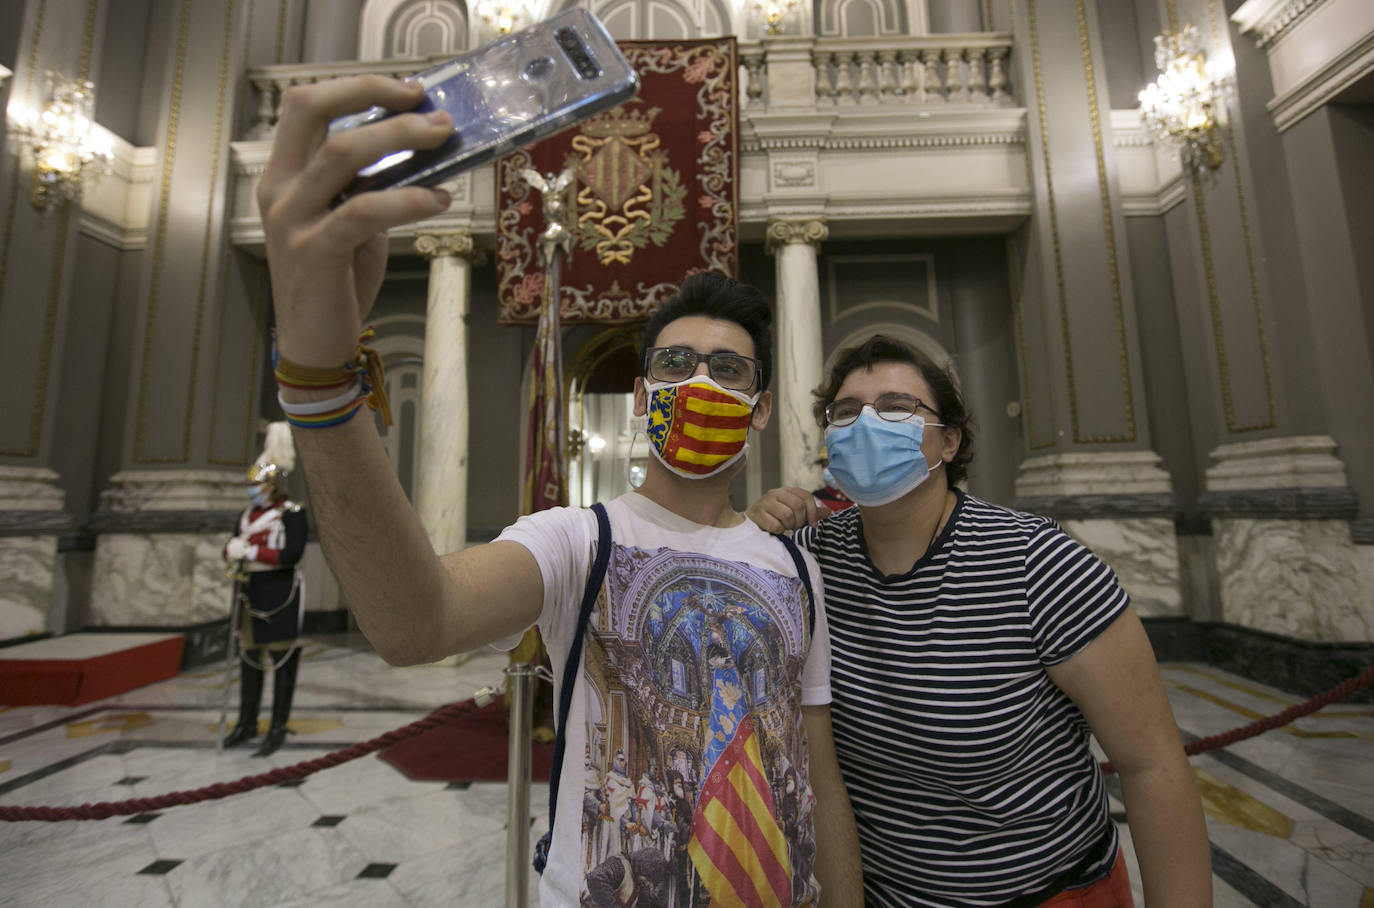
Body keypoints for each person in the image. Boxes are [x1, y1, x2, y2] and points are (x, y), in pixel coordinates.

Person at [255, 75, 862, 906]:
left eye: (728, 371)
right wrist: (321, 384)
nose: (701, 384)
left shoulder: (797, 569)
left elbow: (822, 782)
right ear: (644, 400)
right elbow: (414, 620)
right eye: (675, 367)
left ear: (759, 411)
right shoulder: (577, 540)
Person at [748, 335, 1212, 907]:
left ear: (948, 440)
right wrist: (751, 534)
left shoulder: (1036, 561)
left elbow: (1152, 766)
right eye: (846, 412)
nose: (866, 423)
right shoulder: (811, 560)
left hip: (1048, 894)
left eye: (896, 406)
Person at [222, 422, 308, 758]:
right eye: (252, 484)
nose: (253, 490)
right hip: (249, 593)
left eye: (259, 484)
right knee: (250, 660)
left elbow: (292, 554)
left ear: (272, 486)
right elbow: (232, 544)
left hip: (279, 594)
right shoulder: (246, 516)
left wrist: (253, 552)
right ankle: (247, 722)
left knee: (282, 661)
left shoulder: (292, 514)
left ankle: (277, 726)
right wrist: (231, 551)